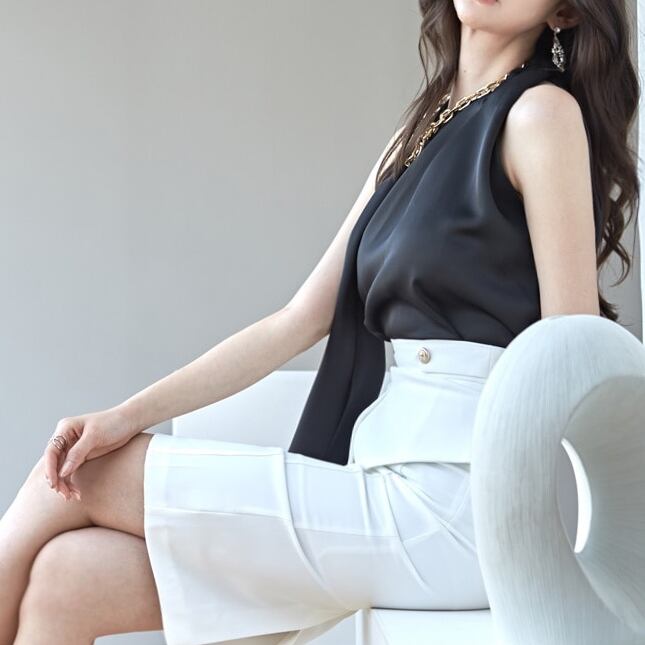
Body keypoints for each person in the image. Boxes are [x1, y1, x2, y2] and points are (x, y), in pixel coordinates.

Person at [1, 1, 639, 644]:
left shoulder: (542, 115)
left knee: (79, 473)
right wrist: (124, 416)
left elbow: (572, 353)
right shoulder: (421, 129)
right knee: (68, 578)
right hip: (375, 478)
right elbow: (297, 320)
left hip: (458, 507)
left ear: (564, 12)